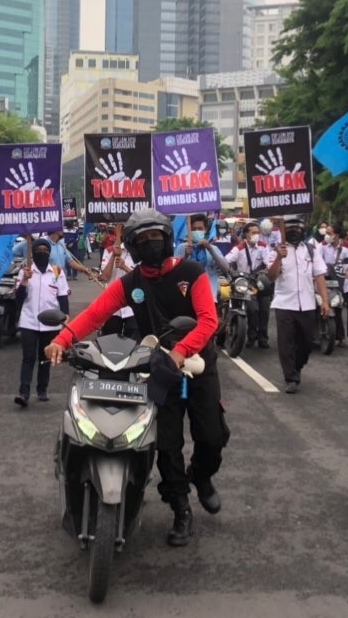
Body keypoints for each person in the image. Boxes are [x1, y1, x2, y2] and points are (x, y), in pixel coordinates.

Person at [44, 208, 226, 547]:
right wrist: (61, 340)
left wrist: (180, 352)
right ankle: (180, 508)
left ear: (168, 240)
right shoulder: (132, 283)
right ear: (133, 246)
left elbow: (207, 322)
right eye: (142, 241)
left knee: (212, 436)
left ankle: (201, 477)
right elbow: (95, 314)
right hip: (158, 370)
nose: (151, 245)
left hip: (197, 365)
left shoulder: (192, 272)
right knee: (168, 444)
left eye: (156, 238)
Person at [268, 216, 331, 393]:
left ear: (303, 229)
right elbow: (271, 276)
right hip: (284, 304)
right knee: (286, 343)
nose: (294, 230)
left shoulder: (311, 250)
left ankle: (297, 366)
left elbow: (319, 276)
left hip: (308, 304)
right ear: (283, 231)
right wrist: (279, 258)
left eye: (297, 227)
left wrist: (325, 301)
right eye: (290, 227)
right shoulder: (276, 251)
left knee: (307, 342)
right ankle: (290, 378)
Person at [15, 238, 70, 406]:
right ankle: (24, 393)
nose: (42, 253)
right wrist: (24, 280)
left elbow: (62, 297)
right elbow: (18, 298)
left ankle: (42, 389)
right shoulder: (25, 271)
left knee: (44, 357)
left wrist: (66, 317)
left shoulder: (57, 272)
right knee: (28, 357)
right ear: (32, 252)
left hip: (50, 322)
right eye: (38, 250)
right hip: (29, 321)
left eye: (45, 250)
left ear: (49, 253)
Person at [226, 221, 274, 348]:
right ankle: (251, 337)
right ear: (247, 235)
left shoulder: (264, 246)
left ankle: (263, 338)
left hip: (261, 282)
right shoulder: (239, 248)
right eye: (253, 233)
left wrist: (268, 269)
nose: (256, 235)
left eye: (258, 232)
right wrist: (229, 270)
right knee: (252, 309)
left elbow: (268, 262)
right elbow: (227, 260)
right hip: (246, 283)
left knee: (264, 310)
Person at [320, 226, 348, 348]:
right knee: (336, 309)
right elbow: (316, 259)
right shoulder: (322, 246)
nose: (326, 235)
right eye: (326, 233)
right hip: (331, 283)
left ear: (337, 235)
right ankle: (340, 337)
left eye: (330, 233)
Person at [176, 214, 231, 304]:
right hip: (187, 298)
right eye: (193, 229)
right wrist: (185, 256)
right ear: (189, 231)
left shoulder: (213, 249)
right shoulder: (182, 248)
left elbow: (226, 268)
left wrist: (211, 250)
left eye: (200, 229)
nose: (197, 231)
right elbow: (175, 273)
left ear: (205, 230)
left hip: (209, 297)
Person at [98, 227, 138, 339]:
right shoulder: (109, 250)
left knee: (134, 342)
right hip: (112, 306)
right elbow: (104, 277)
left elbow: (142, 279)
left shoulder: (139, 252)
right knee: (110, 343)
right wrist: (113, 257)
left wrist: (124, 267)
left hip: (132, 306)